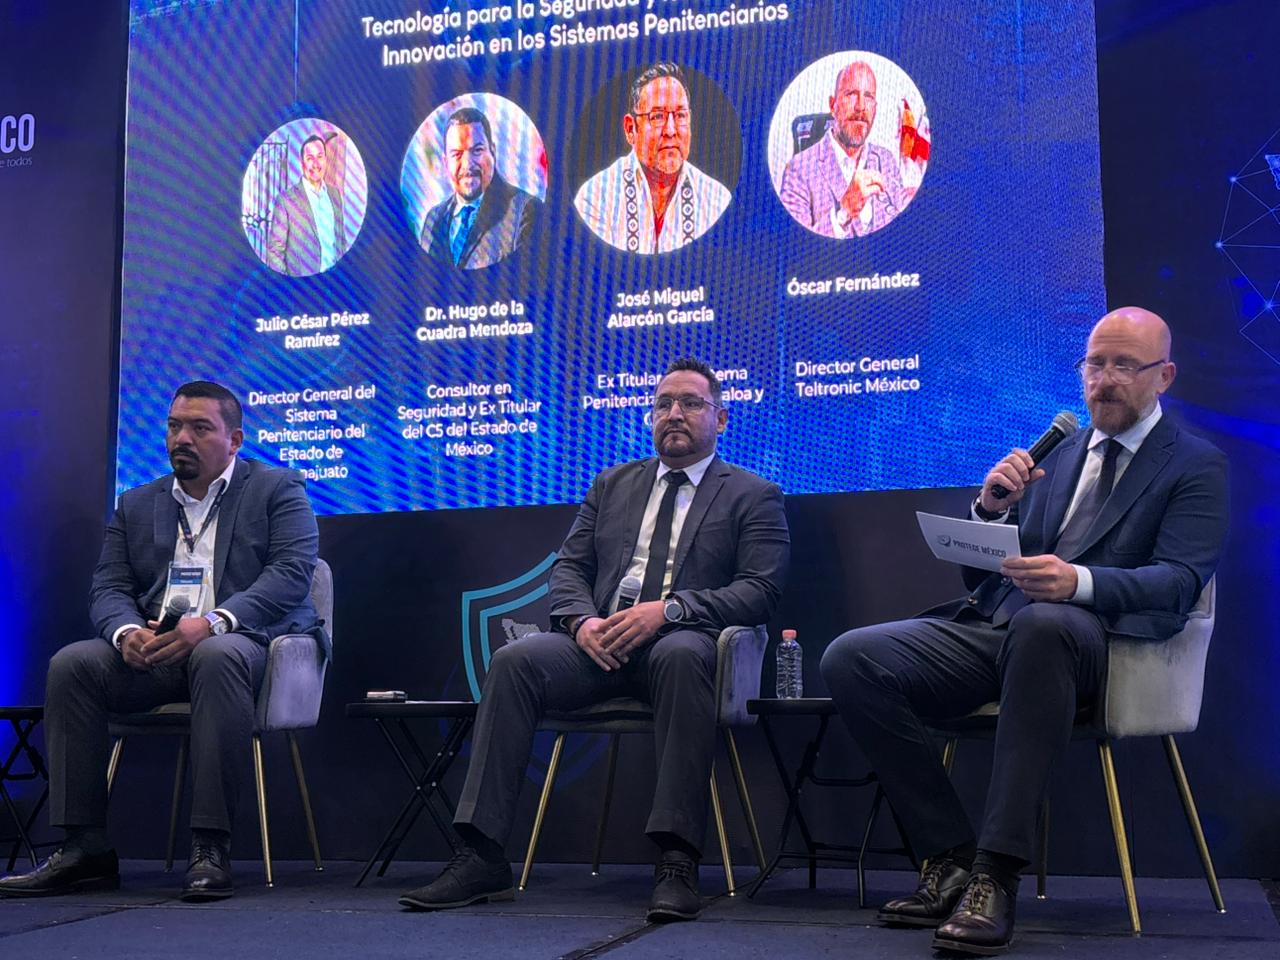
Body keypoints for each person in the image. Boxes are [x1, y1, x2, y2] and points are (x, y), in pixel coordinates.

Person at [820, 307, 1228, 955]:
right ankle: (949, 856)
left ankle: (995, 874)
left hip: (1101, 643)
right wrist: (989, 511)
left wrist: (1078, 582)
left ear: (1164, 376)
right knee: (853, 658)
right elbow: (991, 575)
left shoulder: (1195, 464)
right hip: (1002, 627)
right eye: (1095, 364)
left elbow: (1178, 582)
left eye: (1125, 365)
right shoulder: (1060, 454)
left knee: (1043, 625)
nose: (1105, 380)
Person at [399, 358, 790, 921]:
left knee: (682, 654)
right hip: (600, 644)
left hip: (682, 642)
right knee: (515, 661)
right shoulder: (612, 484)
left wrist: (670, 610)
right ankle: (481, 855)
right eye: (663, 404)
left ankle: (676, 859)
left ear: (721, 418)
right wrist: (581, 623)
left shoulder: (754, 494)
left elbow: (759, 591)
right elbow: (570, 568)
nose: (674, 414)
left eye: (690, 403)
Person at [0, 381, 323, 902]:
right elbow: (109, 586)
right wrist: (126, 632)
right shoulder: (136, 503)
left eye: (200, 427)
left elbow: (290, 574)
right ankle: (85, 848)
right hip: (160, 653)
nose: (182, 438)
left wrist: (214, 621)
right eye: (175, 426)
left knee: (216, 655)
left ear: (235, 439)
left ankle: (210, 846)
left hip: (249, 646)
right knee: (73, 665)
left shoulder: (278, 488)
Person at [574, 63, 731, 254]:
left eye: (680, 116)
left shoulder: (717, 201)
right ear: (630, 129)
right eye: (657, 117)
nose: (671, 130)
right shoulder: (596, 198)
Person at [779, 60, 908, 238]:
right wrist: (843, 212)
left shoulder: (887, 160)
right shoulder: (798, 170)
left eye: (868, 96)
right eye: (851, 94)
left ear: (875, 108)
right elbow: (793, 245)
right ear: (833, 105)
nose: (861, 106)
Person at [418, 107, 540, 269]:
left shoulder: (524, 211)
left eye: (477, 151)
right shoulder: (433, 220)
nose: (467, 164)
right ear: (446, 163)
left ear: (493, 152)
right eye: (457, 154)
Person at [266, 134, 349, 276]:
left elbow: (341, 241)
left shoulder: (335, 194)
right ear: (302, 163)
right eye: (310, 158)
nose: (316, 164)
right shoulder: (286, 201)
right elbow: (274, 252)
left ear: (326, 160)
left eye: (320, 156)